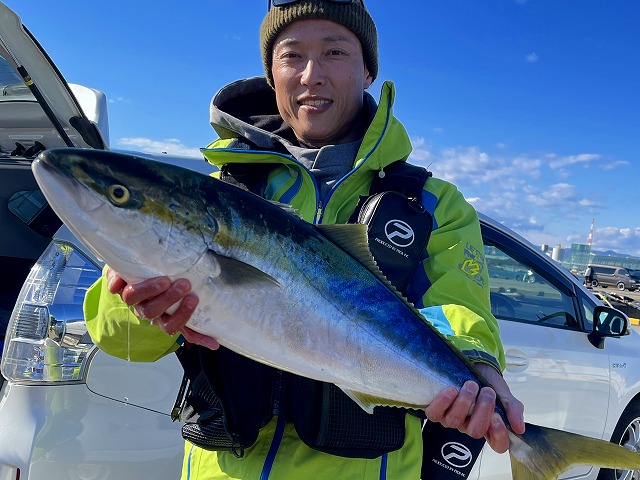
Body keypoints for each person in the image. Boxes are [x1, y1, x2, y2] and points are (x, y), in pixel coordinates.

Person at [84, 1, 525, 479]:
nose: (312, 75)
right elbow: (119, 340)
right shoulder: (207, 199)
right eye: (291, 55)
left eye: (335, 52)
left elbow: (459, 308)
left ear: (368, 71)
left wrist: (473, 366)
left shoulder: (434, 205)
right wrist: (137, 308)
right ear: (271, 75)